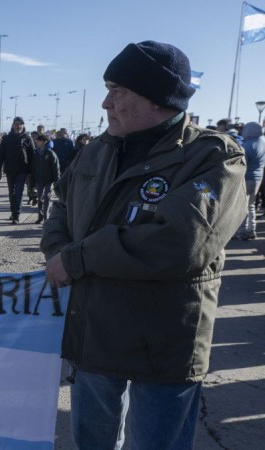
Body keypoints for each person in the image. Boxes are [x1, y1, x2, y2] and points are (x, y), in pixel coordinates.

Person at [41, 41, 246, 449]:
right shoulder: (96, 151)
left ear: (158, 99)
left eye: (117, 92)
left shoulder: (215, 158)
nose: (105, 103)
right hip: (94, 335)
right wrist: (57, 251)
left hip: (163, 343)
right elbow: (61, 206)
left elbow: (180, 242)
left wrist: (76, 259)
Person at [0, 116, 35, 224]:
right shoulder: (7, 138)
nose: (18, 126)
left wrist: (31, 173)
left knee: (18, 193)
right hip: (10, 170)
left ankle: (16, 215)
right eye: (16, 124)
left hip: (22, 171)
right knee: (11, 193)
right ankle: (13, 211)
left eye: (20, 124)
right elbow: (1, 155)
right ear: (13, 125)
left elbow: (32, 156)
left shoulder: (27, 138)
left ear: (23, 125)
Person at [233, 122, 265, 240]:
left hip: (246, 178)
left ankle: (241, 231)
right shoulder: (262, 143)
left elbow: (241, 163)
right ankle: (251, 230)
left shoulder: (247, 145)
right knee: (251, 206)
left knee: (241, 207)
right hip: (258, 178)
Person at [30, 133, 59, 224]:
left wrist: (56, 181)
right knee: (39, 198)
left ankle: (46, 217)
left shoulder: (50, 153)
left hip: (48, 180)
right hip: (39, 180)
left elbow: (56, 168)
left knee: (46, 198)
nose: (36, 142)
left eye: (38, 141)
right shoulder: (36, 153)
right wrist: (32, 181)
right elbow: (33, 168)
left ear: (44, 142)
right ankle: (40, 216)